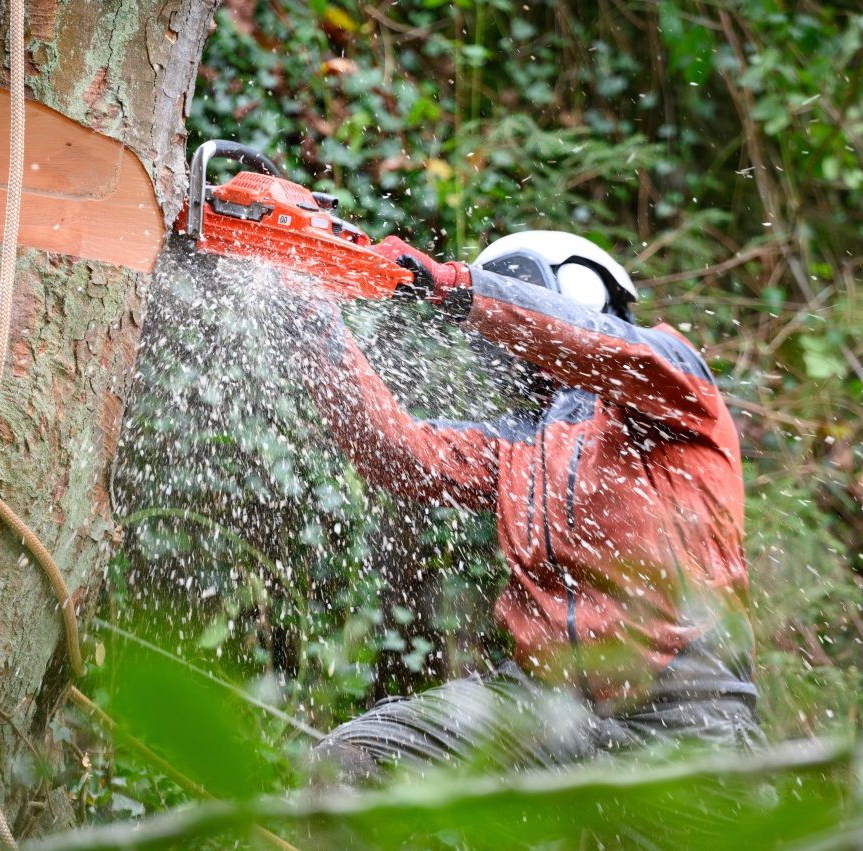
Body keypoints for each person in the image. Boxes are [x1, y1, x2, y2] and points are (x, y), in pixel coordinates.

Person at [297, 230, 760, 783]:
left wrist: (452, 287)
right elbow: (397, 452)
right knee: (355, 762)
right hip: (542, 705)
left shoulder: (674, 384)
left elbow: (593, 343)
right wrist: (310, 313)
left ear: (576, 292)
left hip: (684, 707)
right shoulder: (521, 446)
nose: (503, 348)